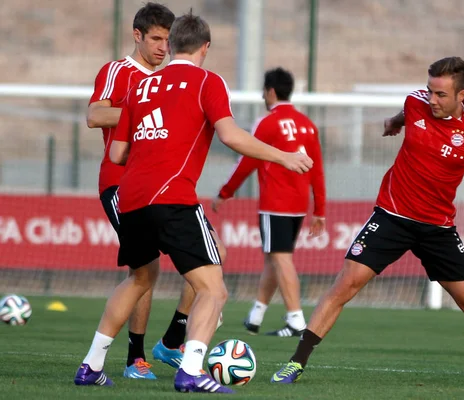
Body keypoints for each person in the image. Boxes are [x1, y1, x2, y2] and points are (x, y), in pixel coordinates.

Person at [75, 11, 313, 393]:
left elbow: (117, 153)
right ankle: (189, 369)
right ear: (205, 47)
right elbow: (231, 136)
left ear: (170, 45)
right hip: (171, 196)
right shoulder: (207, 81)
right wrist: (283, 156)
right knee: (213, 289)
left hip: (130, 197)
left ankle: (91, 365)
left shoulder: (142, 87)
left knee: (140, 277)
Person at [271, 56, 464, 392]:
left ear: (462, 95)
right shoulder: (415, 102)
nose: (432, 99)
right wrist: (395, 122)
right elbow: (408, 111)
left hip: (438, 228)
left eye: (441, 94)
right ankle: (296, 362)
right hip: (391, 216)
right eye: (430, 91)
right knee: (344, 285)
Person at [86, 3, 212, 379]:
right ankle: (134, 358)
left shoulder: (168, 80)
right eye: (155, 38)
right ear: (137, 35)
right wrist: (137, 110)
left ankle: (172, 340)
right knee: (146, 270)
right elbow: (94, 114)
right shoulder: (119, 72)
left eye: (167, 39)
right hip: (119, 184)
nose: (162, 46)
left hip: (158, 186)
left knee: (209, 255)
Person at [212, 67, 326, 338]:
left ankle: (296, 320)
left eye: (264, 91)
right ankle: (256, 316)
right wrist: (319, 209)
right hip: (298, 204)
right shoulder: (307, 124)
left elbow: (247, 160)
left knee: (281, 258)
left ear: (271, 91)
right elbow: (317, 169)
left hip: (275, 202)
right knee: (274, 258)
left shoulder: (268, 122)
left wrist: (225, 192)